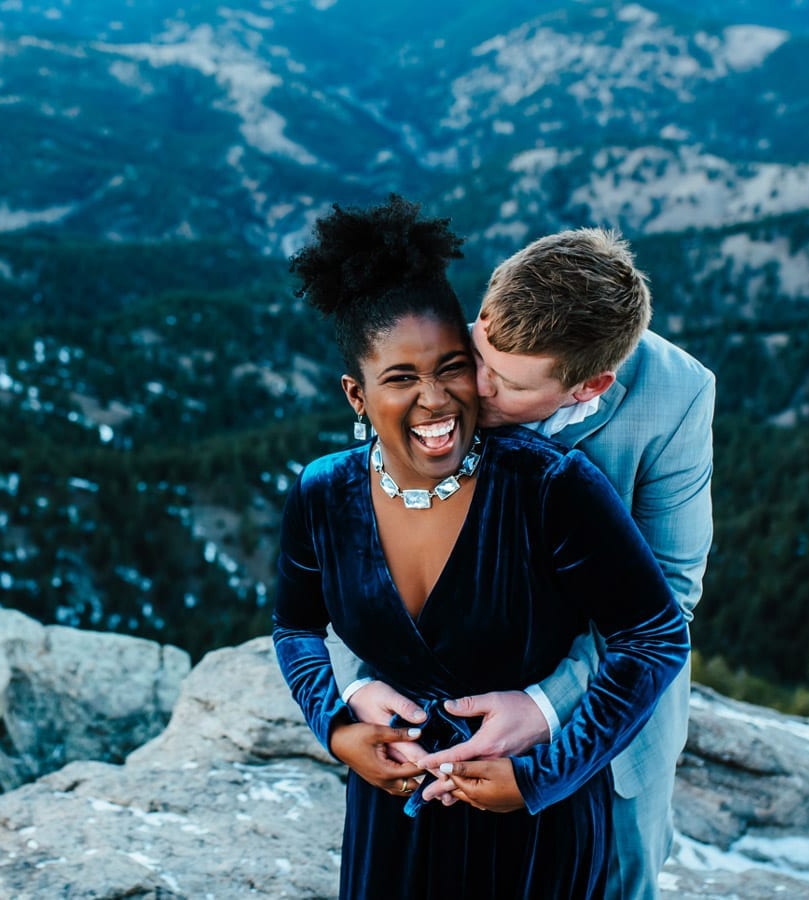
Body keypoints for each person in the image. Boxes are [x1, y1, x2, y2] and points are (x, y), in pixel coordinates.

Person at [273, 196, 690, 899]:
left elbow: (658, 623)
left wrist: (541, 762)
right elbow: (296, 624)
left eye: (457, 372)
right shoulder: (323, 489)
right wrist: (342, 723)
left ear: (585, 388)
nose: (455, 399)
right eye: (477, 360)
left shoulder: (555, 480)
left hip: (532, 811)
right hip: (392, 819)